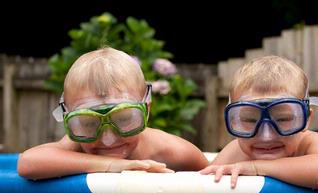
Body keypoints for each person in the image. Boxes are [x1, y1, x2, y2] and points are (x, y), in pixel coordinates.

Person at [18, 47, 208, 179]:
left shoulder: (173, 153)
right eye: (89, 123)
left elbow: (216, 188)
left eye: (124, 119)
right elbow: (27, 163)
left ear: (146, 110)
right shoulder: (77, 144)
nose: (108, 139)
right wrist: (111, 166)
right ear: (69, 120)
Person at [200, 56, 318, 190]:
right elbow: (201, 184)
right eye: (250, 120)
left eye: (283, 119)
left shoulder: (308, 143)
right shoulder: (236, 151)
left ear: (306, 118)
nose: (266, 136)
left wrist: (256, 168)